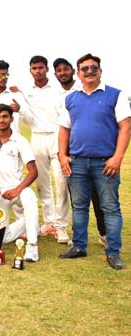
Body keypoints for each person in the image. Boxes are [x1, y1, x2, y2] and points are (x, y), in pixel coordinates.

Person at [58, 53, 130, 270]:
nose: (89, 72)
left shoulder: (115, 95)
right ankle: (79, 246)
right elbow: (64, 128)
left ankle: (113, 251)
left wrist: (117, 158)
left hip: (105, 163)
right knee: (79, 207)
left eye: (93, 68)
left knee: (110, 207)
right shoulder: (70, 98)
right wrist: (62, 155)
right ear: (78, 74)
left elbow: (125, 127)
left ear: (100, 71)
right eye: (84, 69)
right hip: (77, 161)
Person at [13, 55, 70, 243]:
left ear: (46, 69)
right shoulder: (25, 91)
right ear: (30, 71)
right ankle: (49, 223)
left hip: (56, 137)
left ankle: (61, 227)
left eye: (40, 68)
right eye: (34, 68)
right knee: (42, 184)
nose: (37, 71)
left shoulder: (58, 90)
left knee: (61, 184)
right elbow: (26, 117)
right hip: (37, 138)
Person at [53, 57, 106, 247]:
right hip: (66, 151)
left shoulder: (84, 89)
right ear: (55, 74)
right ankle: (77, 237)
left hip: (88, 150)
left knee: (98, 195)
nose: (63, 73)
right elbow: (63, 127)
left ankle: (104, 233)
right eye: (59, 70)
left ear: (73, 72)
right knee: (77, 197)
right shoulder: (54, 92)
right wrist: (62, 153)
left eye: (65, 69)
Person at [0, 103, 40, 262]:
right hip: (0, 191)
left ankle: (32, 247)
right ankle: (31, 223)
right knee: (2, 238)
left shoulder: (20, 141)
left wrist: (17, 190)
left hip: (18, 188)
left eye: (5, 116)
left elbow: (33, 171)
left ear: (11, 118)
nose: (1, 120)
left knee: (30, 200)